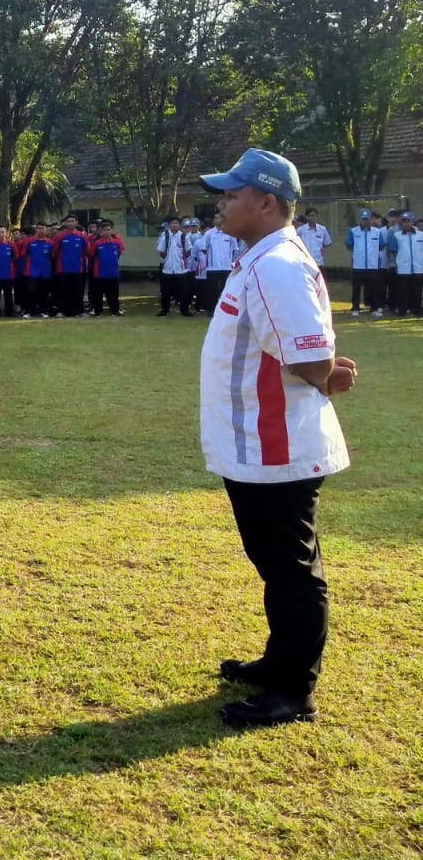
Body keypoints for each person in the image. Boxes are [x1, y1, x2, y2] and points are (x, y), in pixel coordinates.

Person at [197, 148, 356, 728]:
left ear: (266, 202)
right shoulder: (263, 258)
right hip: (259, 444)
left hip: (276, 446)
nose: (221, 204)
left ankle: (292, 690)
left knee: (291, 571)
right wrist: (324, 374)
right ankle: (279, 662)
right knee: (278, 564)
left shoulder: (276, 266)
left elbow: (309, 356)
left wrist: (326, 376)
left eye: (231, 194)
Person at [345, 209, 387, 315]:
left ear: (370, 219)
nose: (365, 221)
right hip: (358, 265)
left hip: (373, 265)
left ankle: (374, 308)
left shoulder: (377, 232)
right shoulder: (353, 231)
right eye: (363, 219)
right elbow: (349, 245)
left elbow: (381, 246)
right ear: (360, 219)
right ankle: (355, 308)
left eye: (367, 219)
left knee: (374, 288)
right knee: (356, 289)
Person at [52, 215, 90, 317]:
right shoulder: (60, 236)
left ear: (76, 222)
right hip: (62, 268)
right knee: (63, 291)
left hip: (77, 268)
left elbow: (87, 251)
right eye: (68, 221)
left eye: (72, 221)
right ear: (65, 223)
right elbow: (54, 252)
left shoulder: (82, 236)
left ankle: (79, 311)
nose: (70, 223)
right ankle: (62, 311)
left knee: (78, 291)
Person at [156, 215, 192, 317]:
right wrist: (168, 258)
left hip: (181, 269)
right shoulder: (165, 236)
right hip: (167, 269)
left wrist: (180, 259)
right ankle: (164, 310)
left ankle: (184, 310)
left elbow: (188, 251)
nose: (174, 225)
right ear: (169, 225)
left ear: (179, 225)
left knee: (183, 292)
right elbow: (161, 252)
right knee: (166, 292)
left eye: (176, 223)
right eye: (172, 223)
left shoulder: (184, 237)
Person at [88, 220, 125, 317]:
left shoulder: (117, 242)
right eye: (105, 230)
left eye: (108, 230)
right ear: (101, 231)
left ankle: (115, 310)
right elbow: (92, 254)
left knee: (113, 294)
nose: (107, 232)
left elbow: (120, 252)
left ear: (111, 230)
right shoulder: (97, 243)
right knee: (98, 294)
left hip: (113, 272)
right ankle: (98, 311)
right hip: (99, 273)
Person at [388, 210, 422, 317]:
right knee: (403, 291)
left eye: (408, 221)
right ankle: (402, 310)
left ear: (413, 222)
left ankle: (417, 310)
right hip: (403, 268)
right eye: (404, 221)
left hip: (418, 267)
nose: (406, 223)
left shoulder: (421, 235)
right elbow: (393, 250)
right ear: (401, 222)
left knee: (417, 291)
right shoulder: (396, 235)